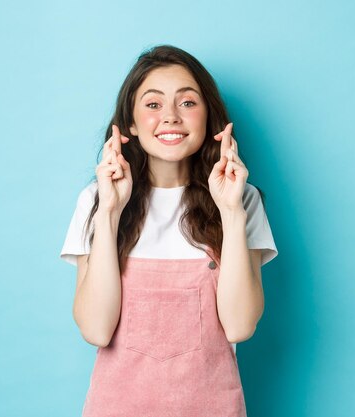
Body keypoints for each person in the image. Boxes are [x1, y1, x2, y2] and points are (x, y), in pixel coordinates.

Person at [59, 44, 278, 417]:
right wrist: (110, 213)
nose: (171, 117)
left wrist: (231, 212)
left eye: (188, 103)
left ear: (209, 118)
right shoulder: (96, 200)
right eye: (153, 104)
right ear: (129, 122)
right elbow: (96, 330)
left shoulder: (243, 199)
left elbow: (240, 326)